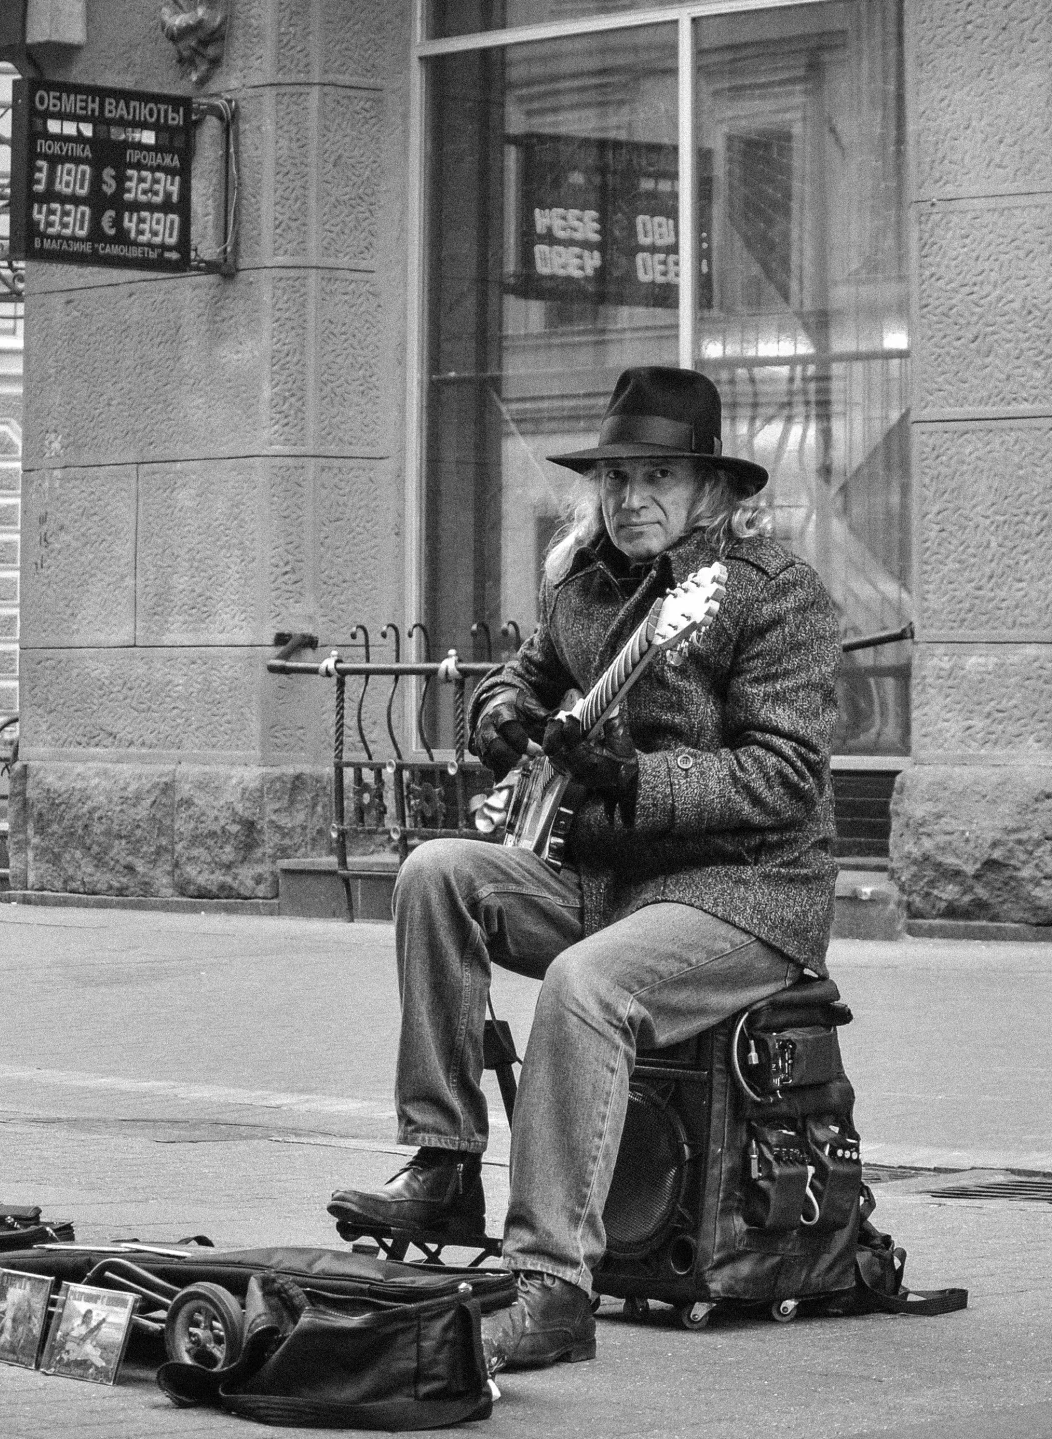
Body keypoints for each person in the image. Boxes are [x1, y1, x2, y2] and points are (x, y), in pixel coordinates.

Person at [326, 366, 843, 1372]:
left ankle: (550, 1283)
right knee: (436, 873)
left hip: (743, 894)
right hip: (610, 882)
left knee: (585, 983)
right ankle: (442, 1159)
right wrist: (499, 721)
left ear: (711, 494)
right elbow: (516, 685)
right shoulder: (581, 587)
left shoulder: (775, 600)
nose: (631, 497)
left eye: (658, 475)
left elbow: (784, 777)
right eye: (614, 476)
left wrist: (635, 779)